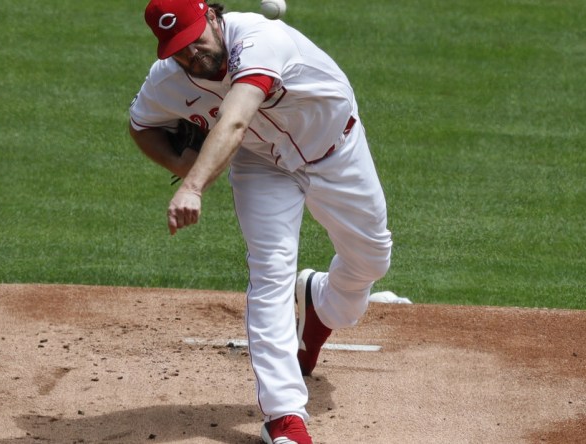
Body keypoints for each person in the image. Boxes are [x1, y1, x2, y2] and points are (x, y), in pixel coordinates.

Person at [128, 1, 393, 442]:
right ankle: (284, 417)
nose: (192, 55)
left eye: (196, 39)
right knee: (269, 274)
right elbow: (140, 124)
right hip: (262, 165)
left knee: (371, 260)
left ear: (213, 16)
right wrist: (183, 158)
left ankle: (320, 303)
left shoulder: (259, 39)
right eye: (178, 49)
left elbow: (233, 121)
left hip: (336, 151)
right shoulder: (169, 81)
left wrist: (193, 185)